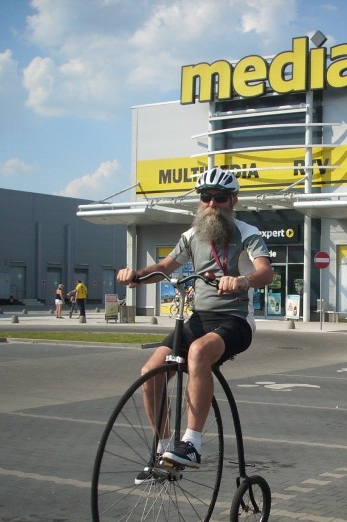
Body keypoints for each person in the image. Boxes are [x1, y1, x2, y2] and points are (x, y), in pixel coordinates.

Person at [116, 168, 272, 480]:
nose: (212, 204)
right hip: (199, 318)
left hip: (235, 320)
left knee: (198, 352)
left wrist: (242, 280)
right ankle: (164, 451)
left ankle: (193, 443)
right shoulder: (191, 236)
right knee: (150, 371)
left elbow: (266, 272)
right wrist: (136, 275)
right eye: (206, 197)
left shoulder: (247, 233)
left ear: (233, 200)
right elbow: (163, 266)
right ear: (199, 202)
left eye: (220, 198)